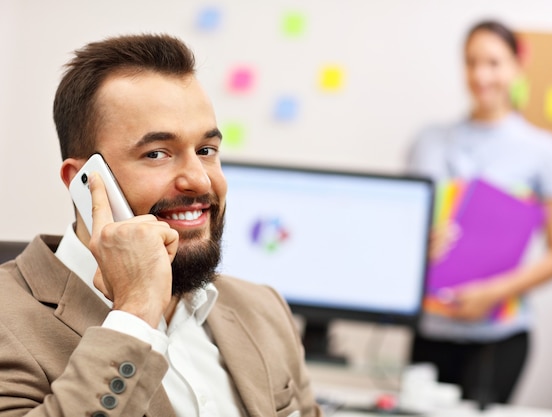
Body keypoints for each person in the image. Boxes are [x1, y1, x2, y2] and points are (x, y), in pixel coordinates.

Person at [0, 34, 320, 417]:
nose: (200, 181)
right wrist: (135, 313)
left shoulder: (263, 309)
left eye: (206, 151)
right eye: (157, 154)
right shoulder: (8, 323)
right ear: (83, 180)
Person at [406, 20, 552, 405]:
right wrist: (419, 246)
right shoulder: (427, 142)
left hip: (499, 338)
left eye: (494, 63)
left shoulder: (542, 151)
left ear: (516, 66)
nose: (481, 75)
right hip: (430, 330)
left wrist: (493, 293)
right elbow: (401, 234)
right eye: (471, 62)